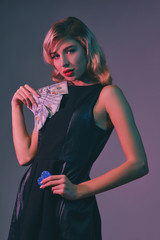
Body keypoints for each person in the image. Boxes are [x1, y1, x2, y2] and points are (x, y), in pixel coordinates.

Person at [8, 17, 149, 240]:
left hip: (68, 209)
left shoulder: (108, 95)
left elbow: (139, 164)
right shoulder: (51, 95)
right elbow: (26, 156)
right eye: (55, 55)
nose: (63, 62)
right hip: (31, 202)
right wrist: (15, 107)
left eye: (70, 50)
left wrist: (80, 189)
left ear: (86, 48)